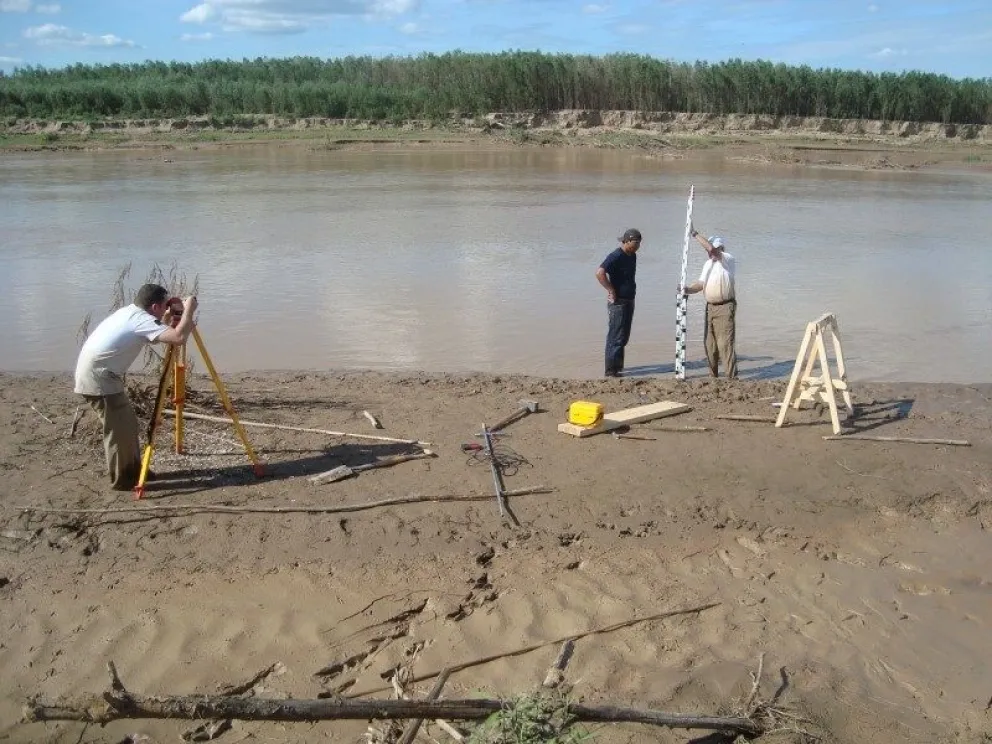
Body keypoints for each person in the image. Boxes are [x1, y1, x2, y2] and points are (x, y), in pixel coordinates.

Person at [74, 284, 198, 490]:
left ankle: (135, 471)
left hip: (99, 374)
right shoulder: (140, 320)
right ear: (156, 305)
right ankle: (123, 480)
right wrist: (189, 310)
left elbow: (156, 336)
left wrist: (168, 318)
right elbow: (178, 338)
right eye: (165, 306)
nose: (167, 309)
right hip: (99, 378)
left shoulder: (130, 313)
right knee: (119, 432)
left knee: (127, 426)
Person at [681, 227, 738, 378]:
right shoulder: (708, 264)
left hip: (725, 307)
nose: (710, 252)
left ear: (722, 248)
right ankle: (713, 376)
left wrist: (694, 234)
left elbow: (712, 249)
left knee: (725, 344)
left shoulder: (727, 259)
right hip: (710, 308)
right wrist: (687, 289)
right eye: (710, 250)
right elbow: (700, 285)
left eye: (715, 248)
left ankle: (732, 378)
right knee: (710, 345)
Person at [596, 228, 641, 377]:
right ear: (626, 241)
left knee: (624, 337)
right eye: (635, 243)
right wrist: (610, 290)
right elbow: (600, 272)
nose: (637, 246)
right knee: (615, 336)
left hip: (629, 300)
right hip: (618, 302)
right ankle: (610, 372)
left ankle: (618, 367)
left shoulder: (632, 255)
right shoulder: (616, 256)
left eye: (639, 243)